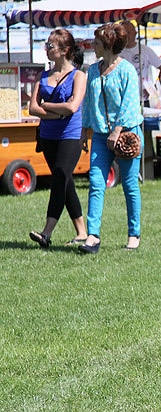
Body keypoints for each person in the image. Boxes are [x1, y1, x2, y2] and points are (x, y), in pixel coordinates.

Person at [79, 23, 144, 254]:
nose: (92, 46)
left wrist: (117, 131)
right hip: (99, 135)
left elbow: (129, 103)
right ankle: (93, 236)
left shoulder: (126, 70)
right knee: (96, 183)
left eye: (96, 42)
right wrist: (84, 132)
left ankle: (134, 234)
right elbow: (88, 104)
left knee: (129, 185)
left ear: (107, 44)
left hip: (127, 135)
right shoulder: (93, 71)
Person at [28, 29, 87, 248]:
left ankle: (46, 232)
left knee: (60, 176)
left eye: (51, 46)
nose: (47, 49)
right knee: (65, 181)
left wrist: (47, 106)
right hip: (48, 136)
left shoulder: (78, 76)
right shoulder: (43, 76)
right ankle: (81, 232)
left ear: (64, 51)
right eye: (47, 45)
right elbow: (33, 108)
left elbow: (72, 107)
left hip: (71, 135)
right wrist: (56, 112)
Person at [118, 21, 161, 105]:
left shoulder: (145, 50)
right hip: (122, 99)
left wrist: (153, 89)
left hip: (143, 99)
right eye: (123, 33)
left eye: (129, 32)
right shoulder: (116, 52)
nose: (127, 35)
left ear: (135, 33)